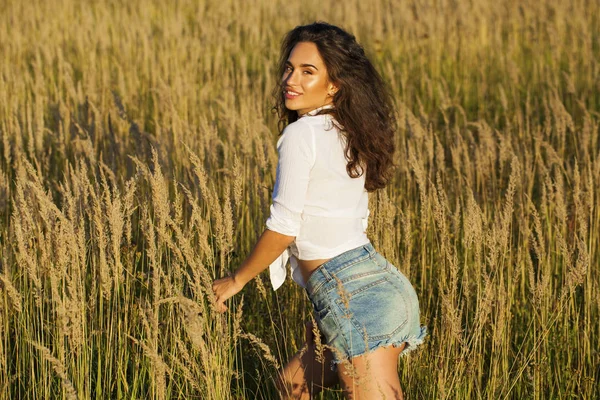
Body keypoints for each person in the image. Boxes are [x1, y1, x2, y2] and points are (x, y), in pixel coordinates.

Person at [212, 21, 427, 399]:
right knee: (291, 388)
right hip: (375, 285)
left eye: (307, 71)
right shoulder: (346, 127)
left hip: (356, 298)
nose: (290, 79)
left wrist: (237, 279)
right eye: (289, 68)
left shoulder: (301, 134)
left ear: (335, 84)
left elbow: (283, 227)